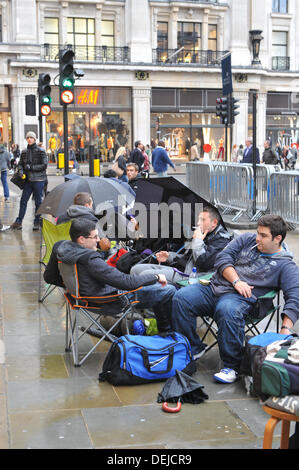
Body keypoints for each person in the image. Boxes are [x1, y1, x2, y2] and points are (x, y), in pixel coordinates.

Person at [172, 214, 299, 383]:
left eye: (263, 235)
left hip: (242, 300)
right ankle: (193, 349)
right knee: (181, 298)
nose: (257, 238)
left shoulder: (286, 266)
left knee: (226, 309)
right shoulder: (247, 239)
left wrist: (285, 328)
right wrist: (236, 281)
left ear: (277, 239)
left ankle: (232, 366)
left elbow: (294, 296)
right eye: (258, 233)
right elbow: (222, 258)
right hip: (215, 287)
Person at [44, 219, 176, 334]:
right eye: (95, 237)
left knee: (152, 285)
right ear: (82, 239)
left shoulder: (59, 247)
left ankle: (162, 330)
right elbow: (127, 282)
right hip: (108, 300)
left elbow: (49, 277)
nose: (98, 240)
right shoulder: (90, 258)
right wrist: (156, 276)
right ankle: (166, 332)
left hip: (78, 299)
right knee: (168, 290)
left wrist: (74, 286)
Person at [131, 207, 232, 284]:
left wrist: (197, 240)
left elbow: (203, 263)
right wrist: (170, 256)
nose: (198, 223)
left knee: (145, 275)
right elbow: (187, 258)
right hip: (181, 269)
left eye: (202, 220)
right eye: (198, 219)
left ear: (214, 223)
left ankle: (148, 307)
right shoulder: (204, 233)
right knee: (136, 269)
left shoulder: (222, 240)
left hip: (192, 277)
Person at [10, 131, 48, 231]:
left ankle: (37, 222)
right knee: (23, 201)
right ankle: (19, 222)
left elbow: (44, 165)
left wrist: (31, 167)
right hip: (28, 181)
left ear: (35, 139)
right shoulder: (24, 152)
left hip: (38, 180)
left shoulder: (41, 151)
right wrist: (21, 171)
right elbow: (20, 164)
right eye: (28, 138)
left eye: (31, 137)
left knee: (38, 202)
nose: (29, 139)